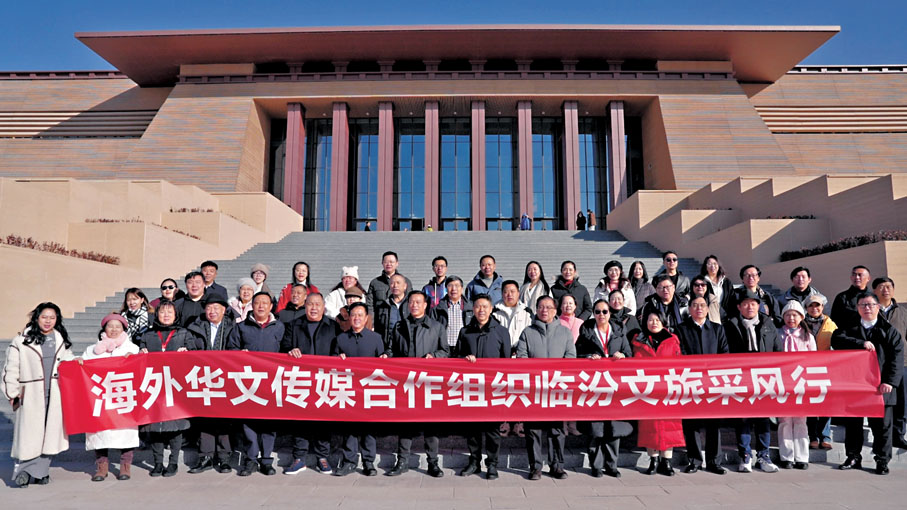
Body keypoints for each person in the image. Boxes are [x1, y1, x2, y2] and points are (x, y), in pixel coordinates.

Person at [2, 302, 76, 487]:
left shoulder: (60, 339)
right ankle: (24, 472)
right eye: (44, 317)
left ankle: (41, 472)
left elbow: (69, 360)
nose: (48, 321)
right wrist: (13, 393)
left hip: (55, 393)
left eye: (52, 317)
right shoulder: (21, 341)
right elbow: (11, 368)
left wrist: (78, 362)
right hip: (31, 394)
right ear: (37, 318)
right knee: (29, 435)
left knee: (49, 434)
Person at [832, 292, 904, 475]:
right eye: (863, 305)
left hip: (881, 387)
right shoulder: (850, 327)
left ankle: (882, 460)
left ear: (878, 307)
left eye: (871, 305)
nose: (867, 308)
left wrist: (890, 382)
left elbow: (896, 359)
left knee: (882, 427)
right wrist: (861, 343)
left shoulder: (889, 330)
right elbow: (837, 339)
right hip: (856, 385)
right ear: (857, 308)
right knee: (853, 424)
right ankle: (853, 456)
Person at [385, 291, 448, 477]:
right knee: (405, 424)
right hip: (406, 382)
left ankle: (433, 463)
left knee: (431, 424)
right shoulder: (399, 326)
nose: (414, 305)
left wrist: (434, 356)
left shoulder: (436, 327)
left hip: (429, 383)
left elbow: (445, 351)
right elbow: (392, 349)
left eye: (418, 302)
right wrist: (386, 356)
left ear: (425, 305)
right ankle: (402, 461)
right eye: (411, 302)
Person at [516, 295, 576, 480]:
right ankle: (535, 466)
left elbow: (571, 357)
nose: (545, 310)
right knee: (533, 430)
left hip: (557, 388)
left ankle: (557, 465)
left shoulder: (565, 332)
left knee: (557, 430)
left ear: (555, 310)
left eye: (549, 307)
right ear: (536, 309)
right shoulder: (528, 332)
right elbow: (521, 358)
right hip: (534, 389)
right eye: (541, 307)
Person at [281, 292, 340, 475]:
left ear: (323, 307)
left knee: (323, 418)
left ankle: (323, 457)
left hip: (324, 380)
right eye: (310, 304)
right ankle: (299, 458)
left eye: (317, 304)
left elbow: (338, 350)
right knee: (300, 419)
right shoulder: (294, 325)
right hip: (301, 380)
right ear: (305, 306)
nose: (314, 308)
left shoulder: (332, 326)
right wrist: (291, 350)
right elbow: (284, 347)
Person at [226, 292, 284, 476]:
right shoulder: (241, 327)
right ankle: (250, 460)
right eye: (257, 302)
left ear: (271, 306)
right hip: (248, 382)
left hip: (271, 382)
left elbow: (286, 350)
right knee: (248, 422)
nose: (261, 306)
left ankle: (266, 460)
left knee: (269, 422)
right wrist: (239, 354)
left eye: (265, 303)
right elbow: (231, 350)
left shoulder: (279, 327)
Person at [724, 289, 783, 473]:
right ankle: (745, 455)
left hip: (764, 377)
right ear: (739, 307)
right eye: (746, 303)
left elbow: (777, 350)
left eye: (754, 303)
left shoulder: (768, 324)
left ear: (759, 306)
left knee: (763, 417)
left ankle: (763, 456)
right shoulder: (730, 325)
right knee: (743, 417)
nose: (750, 307)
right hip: (740, 377)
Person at [137, 300, 196, 477]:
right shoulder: (148, 334)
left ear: (176, 315)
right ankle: (157, 463)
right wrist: (141, 354)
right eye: (163, 312)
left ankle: (172, 462)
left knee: (175, 426)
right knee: (155, 427)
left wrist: (187, 352)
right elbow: (139, 356)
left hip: (176, 386)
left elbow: (195, 356)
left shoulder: (183, 333)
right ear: (157, 314)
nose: (166, 315)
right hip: (154, 387)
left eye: (170, 312)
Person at [575, 300, 631, 478]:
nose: (601, 315)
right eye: (597, 312)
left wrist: (622, 356)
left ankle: (611, 465)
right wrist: (588, 357)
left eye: (605, 312)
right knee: (596, 427)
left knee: (613, 427)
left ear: (610, 313)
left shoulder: (618, 331)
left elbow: (629, 354)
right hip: (594, 385)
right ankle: (596, 464)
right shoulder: (586, 330)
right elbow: (577, 354)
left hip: (614, 385)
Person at [457, 295, 510, 480]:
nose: (481, 310)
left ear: (491, 309)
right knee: (472, 427)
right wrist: (465, 360)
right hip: (471, 388)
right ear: (473, 309)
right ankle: (474, 462)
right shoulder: (465, 331)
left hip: (493, 388)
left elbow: (507, 362)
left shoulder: (501, 332)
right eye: (478, 306)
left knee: (493, 429)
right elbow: (456, 358)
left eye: (485, 307)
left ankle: (492, 464)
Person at [81, 313, 140, 482]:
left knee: (126, 432)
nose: (113, 329)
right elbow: (83, 368)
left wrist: (134, 360)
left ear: (123, 329)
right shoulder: (92, 350)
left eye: (118, 326)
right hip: (100, 398)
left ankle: (125, 467)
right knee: (99, 433)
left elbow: (141, 369)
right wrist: (78, 362)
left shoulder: (132, 349)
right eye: (110, 326)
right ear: (104, 328)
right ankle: (101, 467)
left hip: (123, 397)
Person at [333, 302, 387, 477]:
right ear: (349, 317)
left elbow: (383, 361)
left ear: (366, 318)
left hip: (368, 390)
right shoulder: (341, 338)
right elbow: (330, 362)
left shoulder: (376, 338)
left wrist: (384, 358)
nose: (356, 318)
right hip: (348, 389)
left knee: (368, 427)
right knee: (349, 427)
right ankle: (349, 461)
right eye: (353, 315)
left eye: (360, 315)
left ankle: (368, 462)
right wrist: (337, 358)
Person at [676, 296, 729, 475]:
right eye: (695, 305)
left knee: (714, 424)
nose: (699, 308)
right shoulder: (681, 329)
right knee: (692, 423)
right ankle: (695, 460)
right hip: (691, 382)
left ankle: (714, 461)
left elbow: (724, 354)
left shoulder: (717, 329)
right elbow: (680, 353)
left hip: (713, 382)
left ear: (707, 309)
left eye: (702, 305)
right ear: (689, 309)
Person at [185, 292, 236, 475]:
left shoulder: (233, 326)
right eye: (208, 307)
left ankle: (223, 459)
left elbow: (235, 348)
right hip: (203, 378)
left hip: (226, 379)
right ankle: (205, 457)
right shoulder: (196, 327)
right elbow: (191, 347)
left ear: (224, 310)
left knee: (224, 419)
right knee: (205, 418)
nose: (212, 311)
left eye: (216, 308)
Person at [632, 310, 685, 476]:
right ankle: (653, 460)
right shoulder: (638, 341)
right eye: (650, 319)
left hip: (668, 389)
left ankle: (666, 461)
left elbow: (679, 364)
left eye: (657, 320)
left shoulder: (672, 340)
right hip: (647, 390)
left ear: (663, 322)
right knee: (650, 426)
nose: (654, 323)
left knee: (669, 425)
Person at [776, 301, 816, 470]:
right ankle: (786, 456)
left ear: (801, 317)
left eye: (795, 315)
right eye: (787, 315)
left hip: (801, 381)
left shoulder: (807, 336)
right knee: (784, 419)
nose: (791, 318)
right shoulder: (778, 334)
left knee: (800, 419)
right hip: (782, 381)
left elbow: (814, 360)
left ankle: (801, 456)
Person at [873, 277, 907, 449]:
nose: (885, 290)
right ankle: (880, 435)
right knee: (881, 401)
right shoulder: (870, 311)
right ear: (874, 291)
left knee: (902, 401)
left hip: (901, 363)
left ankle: (899, 434)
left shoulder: (903, 311)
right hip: (876, 364)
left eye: (888, 286)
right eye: (881, 287)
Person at [802, 293, 837, 450]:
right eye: (811, 305)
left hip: (826, 368)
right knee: (810, 404)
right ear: (806, 308)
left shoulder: (831, 325)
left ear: (822, 307)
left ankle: (825, 435)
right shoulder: (800, 324)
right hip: (805, 369)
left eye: (817, 305)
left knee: (826, 403)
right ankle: (813, 436)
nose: (814, 308)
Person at [430, 276, 473, 355]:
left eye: (457, 285)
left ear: (462, 289)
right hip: (444, 349)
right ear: (446, 289)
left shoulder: (471, 308)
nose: (454, 289)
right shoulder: (438, 309)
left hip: (464, 349)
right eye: (450, 286)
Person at [366, 251, 413, 318]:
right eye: (386, 262)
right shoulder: (375, 283)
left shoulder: (405, 281)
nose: (389, 264)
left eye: (391, 262)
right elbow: (370, 305)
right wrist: (371, 323)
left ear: (397, 263)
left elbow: (410, 301)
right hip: (381, 321)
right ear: (382, 263)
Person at [492, 280, 534, 355]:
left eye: (512, 291)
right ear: (502, 294)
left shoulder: (526, 312)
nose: (509, 295)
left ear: (518, 293)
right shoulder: (494, 312)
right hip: (500, 354)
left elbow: (531, 335)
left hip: (521, 353)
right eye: (506, 292)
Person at [830, 265, 871, 330]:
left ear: (868, 278)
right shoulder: (842, 297)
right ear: (851, 277)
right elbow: (834, 321)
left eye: (860, 275)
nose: (857, 277)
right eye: (854, 275)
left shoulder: (873, 298)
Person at [374, 273, 409, 347]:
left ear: (405, 286)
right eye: (392, 283)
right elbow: (378, 328)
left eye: (398, 283)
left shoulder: (411, 305)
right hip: (387, 346)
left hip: (406, 346)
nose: (395, 286)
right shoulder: (383, 306)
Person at [700, 255, 733, 320]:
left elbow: (732, 299)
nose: (712, 266)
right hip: (708, 317)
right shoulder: (702, 282)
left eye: (715, 263)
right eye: (709, 264)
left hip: (725, 317)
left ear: (718, 266)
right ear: (705, 267)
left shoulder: (726, 282)